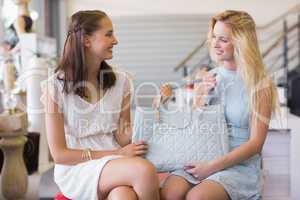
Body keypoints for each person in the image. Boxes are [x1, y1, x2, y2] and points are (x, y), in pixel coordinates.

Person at [158, 10, 278, 200]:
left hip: (239, 165)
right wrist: (200, 98)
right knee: (169, 192)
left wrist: (212, 166)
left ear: (241, 42)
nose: (215, 43)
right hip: (204, 153)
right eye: (214, 37)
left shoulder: (260, 84)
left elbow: (256, 144)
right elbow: (193, 129)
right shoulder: (210, 77)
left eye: (223, 39)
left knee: (198, 197)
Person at [41, 10, 160, 200]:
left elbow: (122, 136)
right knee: (144, 171)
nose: (116, 40)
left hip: (115, 159)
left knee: (123, 196)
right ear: (86, 41)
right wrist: (117, 153)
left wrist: (154, 112)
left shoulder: (122, 82)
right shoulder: (54, 87)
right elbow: (59, 155)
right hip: (76, 169)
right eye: (109, 34)